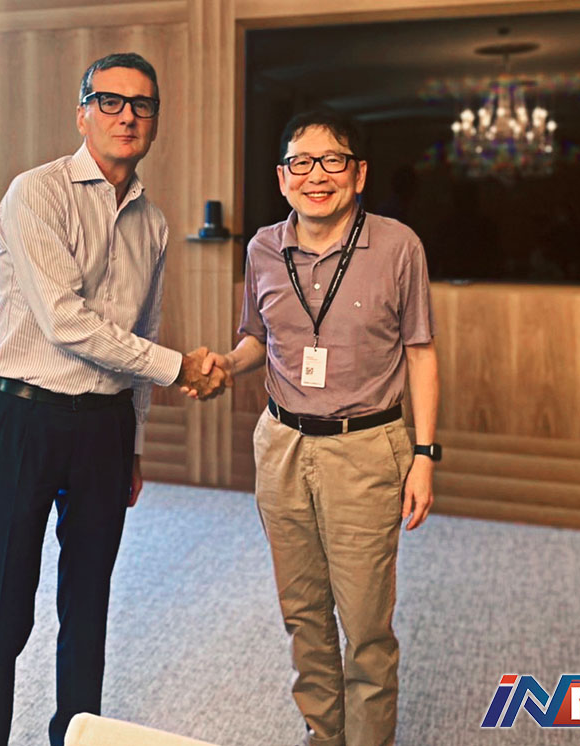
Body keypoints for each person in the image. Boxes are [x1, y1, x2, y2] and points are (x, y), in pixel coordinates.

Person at [0, 52, 229, 746]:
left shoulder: (154, 222)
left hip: (105, 430)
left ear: (155, 122)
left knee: (88, 608)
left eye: (142, 105)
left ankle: (75, 739)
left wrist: (132, 445)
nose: (126, 116)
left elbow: (142, 333)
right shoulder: (36, 193)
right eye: (110, 101)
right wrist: (180, 369)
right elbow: (67, 323)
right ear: (82, 113)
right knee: (3, 611)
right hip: (22, 417)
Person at [201, 110, 440, 746]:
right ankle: (323, 733)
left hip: (366, 448)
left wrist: (424, 454)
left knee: (365, 623)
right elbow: (258, 339)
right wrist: (227, 363)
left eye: (332, 161)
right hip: (282, 444)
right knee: (303, 611)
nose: (316, 175)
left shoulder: (398, 246)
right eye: (301, 163)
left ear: (358, 174)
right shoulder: (262, 249)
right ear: (283, 178)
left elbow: (420, 353)